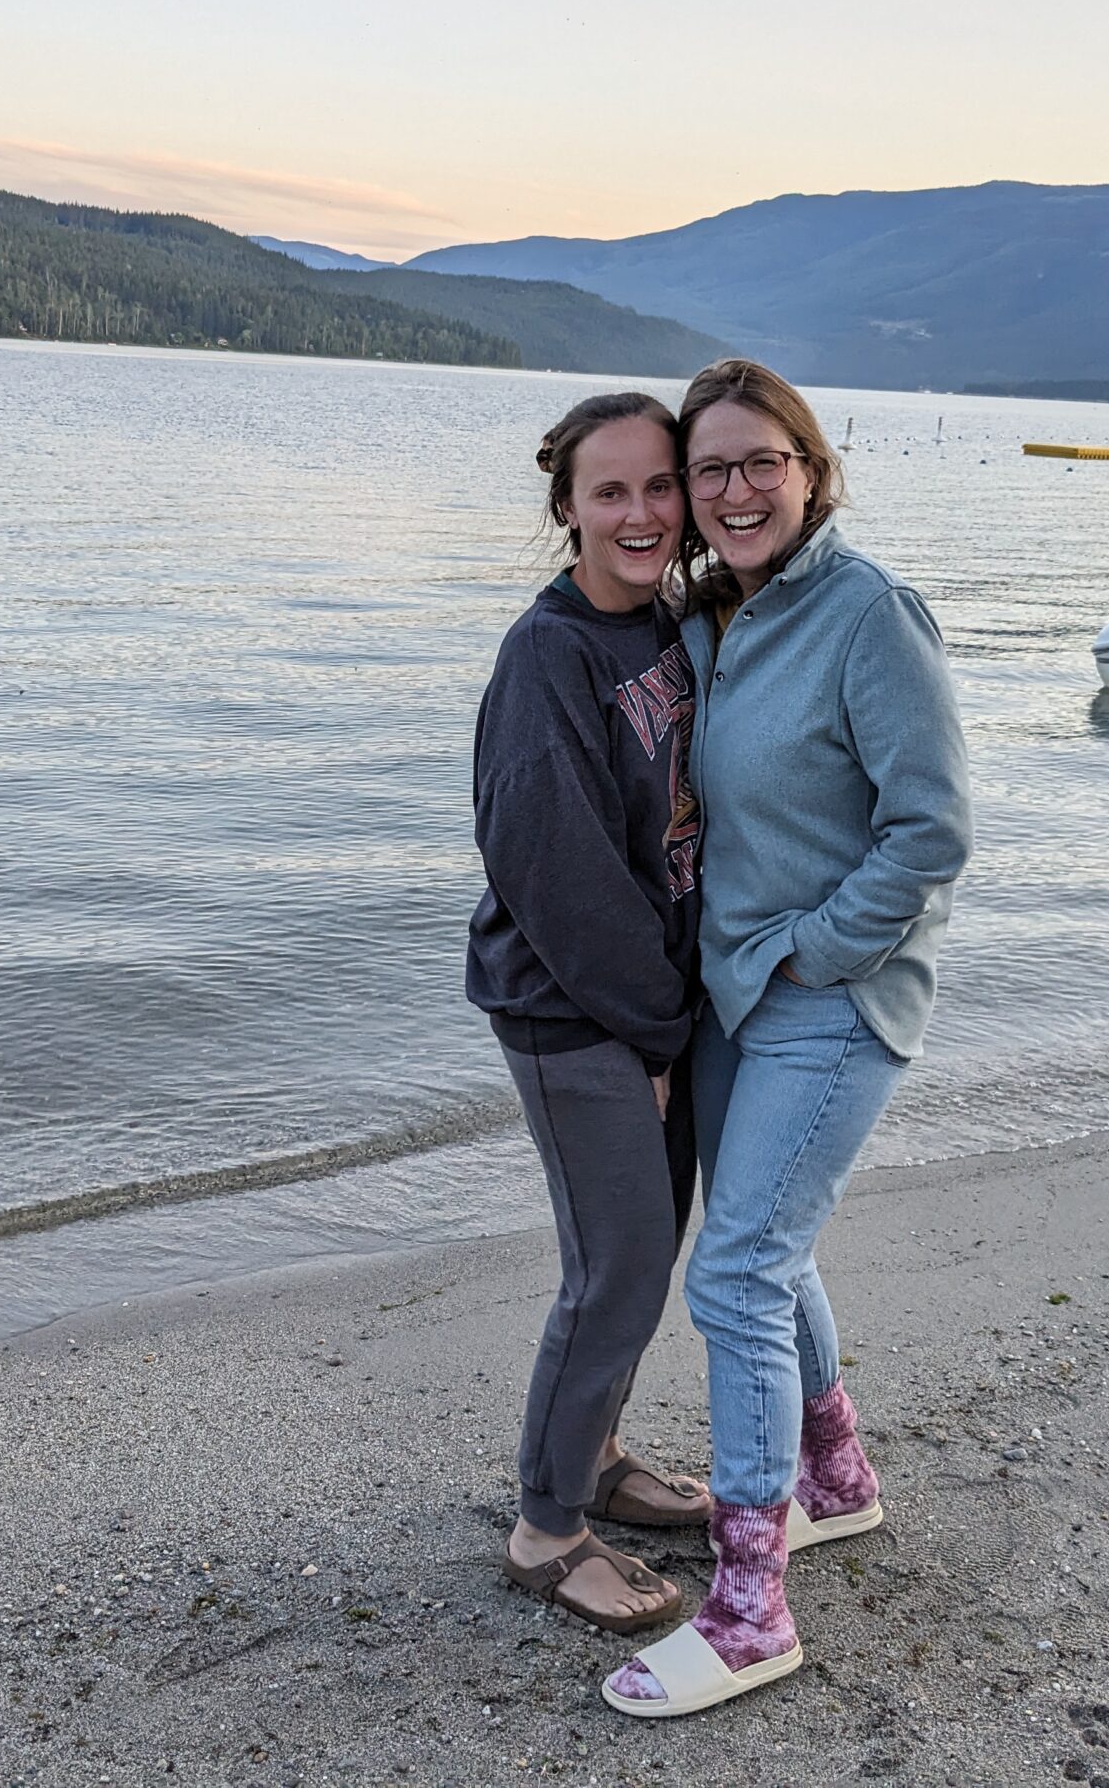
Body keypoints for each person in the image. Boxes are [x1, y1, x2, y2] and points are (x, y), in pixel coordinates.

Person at [603, 360, 971, 1717]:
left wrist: (818, 948)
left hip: (830, 994)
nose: (736, 488)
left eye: (763, 460)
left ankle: (750, 1610)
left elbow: (930, 831)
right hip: (736, 993)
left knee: (737, 1275)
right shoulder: (717, 618)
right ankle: (835, 1478)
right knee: (764, 1247)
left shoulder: (870, 614)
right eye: (710, 469)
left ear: (812, 471)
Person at [466, 391, 713, 1634]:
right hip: (573, 1011)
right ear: (565, 505)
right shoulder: (547, 655)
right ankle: (546, 1527)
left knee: (642, 1256)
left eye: (659, 485)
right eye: (608, 491)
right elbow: (551, 866)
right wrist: (654, 1032)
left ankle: (598, 1457)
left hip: (649, 1003)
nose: (640, 513)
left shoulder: (662, 624)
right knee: (613, 1270)